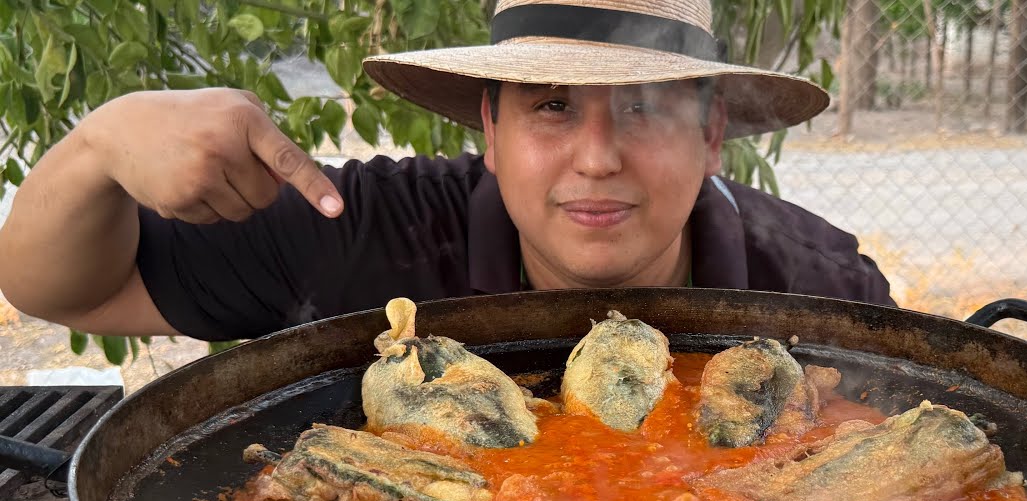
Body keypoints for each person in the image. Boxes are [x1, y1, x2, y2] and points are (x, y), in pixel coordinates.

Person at [0, 0, 893, 343]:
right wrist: (97, 145)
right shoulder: (360, 237)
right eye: (551, 105)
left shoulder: (823, 292)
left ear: (711, 136)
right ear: (490, 131)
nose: (596, 156)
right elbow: (61, 290)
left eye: (644, 105)